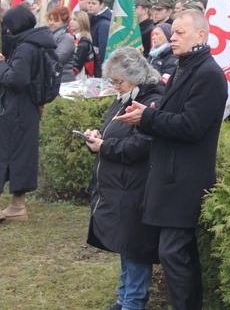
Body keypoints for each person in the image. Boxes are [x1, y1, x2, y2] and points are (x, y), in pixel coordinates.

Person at [115, 9, 227, 310]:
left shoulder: (209, 74)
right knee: (174, 253)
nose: (172, 37)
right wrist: (145, 114)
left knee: (174, 253)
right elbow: (168, 113)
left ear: (200, 36)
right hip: (168, 176)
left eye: (179, 32)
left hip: (186, 179)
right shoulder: (183, 68)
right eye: (172, 32)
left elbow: (191, 126)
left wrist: (147, 116)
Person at [83, 48, 163, 310]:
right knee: (126, 245)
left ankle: (133, 302)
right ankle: (124, 298)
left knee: (136, 246)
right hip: (122, 184)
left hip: (136, 186)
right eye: (113, 81)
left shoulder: (152, 100)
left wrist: (104, 146)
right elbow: (114, 132)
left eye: (119, 82)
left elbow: (143, 144)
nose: (115, 87)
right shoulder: (125, 96)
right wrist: (97, 137)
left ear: (136, 76)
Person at [0, 5, 58, 224]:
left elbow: (17, 79)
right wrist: (6, 62)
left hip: (13, 108)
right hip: (27, 108)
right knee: (21, 156)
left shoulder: (25, 47)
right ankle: (17, 206)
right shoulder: (37, 44)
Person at [87, 0, 112, 77]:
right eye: (89, 3)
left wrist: (101, 72)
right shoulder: (92, 19)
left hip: (99, 69)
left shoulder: (104, 24)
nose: (90, 5)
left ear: (101, 5)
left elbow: (103, 49)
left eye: (94, 3)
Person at [47, 6, 76, 83]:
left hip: (63, 80)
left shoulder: (67, 38)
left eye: (56, 21)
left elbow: (58, 59)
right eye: (50, 20)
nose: (51, 23)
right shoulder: (49, 36)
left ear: (65, 22)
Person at [69, 10, 95, 79]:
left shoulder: (84, 42)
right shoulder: (74, 38)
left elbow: (76, 65)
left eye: (74, 19)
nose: (71, 22)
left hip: (79, 76)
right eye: (71, 19)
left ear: (82, 22)